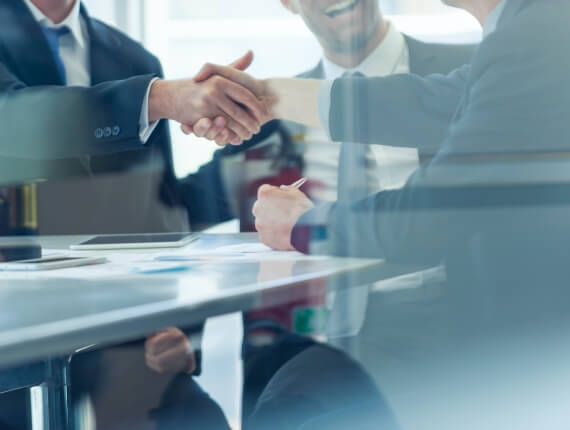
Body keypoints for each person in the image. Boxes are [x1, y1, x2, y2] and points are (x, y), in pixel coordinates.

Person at [0, 0, 265, 428]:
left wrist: (182, 332)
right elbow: (11, 118)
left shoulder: (133, 57)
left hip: (122, 345)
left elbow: (160, 216)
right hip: (12, 346)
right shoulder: (148, 84)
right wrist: (161, 97)